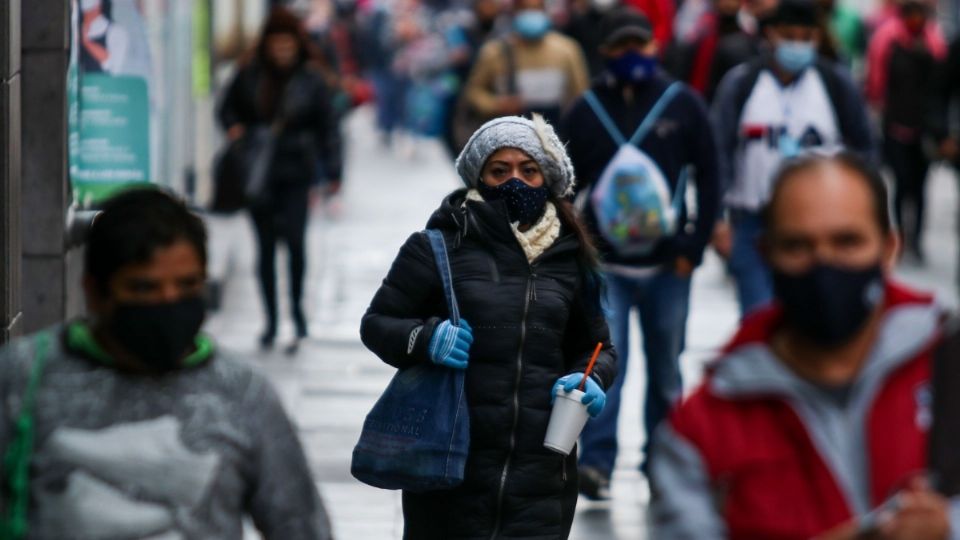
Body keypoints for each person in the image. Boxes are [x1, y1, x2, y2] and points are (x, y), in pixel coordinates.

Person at [649, 152, 956, 539]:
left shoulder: (948, 365)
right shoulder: (703, 430)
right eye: (798, 246)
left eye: (847, 241)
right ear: (767, 254)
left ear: (889, 248)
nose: (823, 264)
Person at [0, 188, 332, 539]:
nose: (168, 303)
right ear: (95, 292)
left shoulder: (242, 392)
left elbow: (300, 525)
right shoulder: (23, 377)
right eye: (144, 288)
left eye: (187, 286)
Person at [360, 115, 617, 539]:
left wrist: (592, 378)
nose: (515, 181)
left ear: (547, 179)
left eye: (528, 170)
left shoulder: (571, 258)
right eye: (500, 170)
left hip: (542, 478)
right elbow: (378, 324)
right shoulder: (438, 245)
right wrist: (426, 339)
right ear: (479, 176)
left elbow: (599, 347)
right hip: (450, 470)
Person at [558, 6, 720, 499]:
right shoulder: (585, 111)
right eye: (621, 47)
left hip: (670, 265)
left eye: (639, 45)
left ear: (655, 47)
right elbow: (564, 188)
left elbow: (711, 176)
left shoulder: (682, 104)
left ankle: (663, 461)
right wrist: (574, 252)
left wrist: (695, 245)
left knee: (667, 367)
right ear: (604, 53)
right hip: (607, 266)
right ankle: (599, 464)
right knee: (607, 365)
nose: (632, 55)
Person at [711, 0, 873, 317]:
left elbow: (865, 149)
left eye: (806, 37)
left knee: (813, 318)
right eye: (790, 36)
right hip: (755, 221)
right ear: (770, 35)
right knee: (758, 318)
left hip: (820, 224)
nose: (797, 45)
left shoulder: (834, 84)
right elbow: (720, 151)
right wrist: (718, 219)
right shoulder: (743, 84)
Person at [218, 7, 342, 353]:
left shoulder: (311, 78)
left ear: (297, 45)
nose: (282, 52)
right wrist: (235, 129)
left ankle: (298, 315)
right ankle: (271, 320)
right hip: (258, 174)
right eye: (277, 45)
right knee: (266, 248)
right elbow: (225, 108)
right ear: (267, 45)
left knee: (297, 245)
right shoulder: (249, 74)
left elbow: (329, 127)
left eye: (288, 45)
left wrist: (334, 171)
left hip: (296, 172)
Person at [865, 0, 947, 264]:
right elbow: (876, 81)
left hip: (925, 128)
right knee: (901, 183)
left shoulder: (934, 42)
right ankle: (900, 236)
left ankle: (917, 240)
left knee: (921, 185)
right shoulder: (887, 38)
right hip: (895, 124)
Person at [461, 0, 590, 127]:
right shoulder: (494, 52)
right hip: (510, 136)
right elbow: (473, 93)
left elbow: (581, 95)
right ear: (514, 12)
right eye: (524, 8)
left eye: (536, 8)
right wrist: (497, 105)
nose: (531, 13)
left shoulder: (567, 50)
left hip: (556, 133)